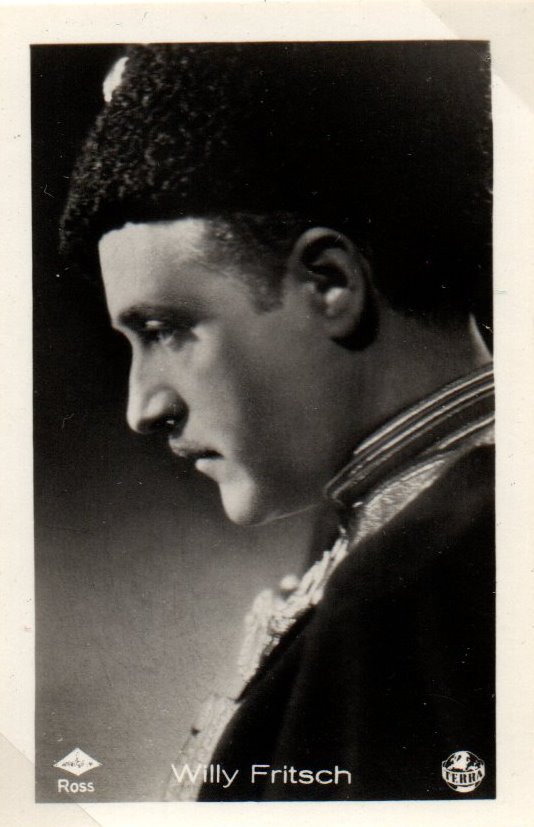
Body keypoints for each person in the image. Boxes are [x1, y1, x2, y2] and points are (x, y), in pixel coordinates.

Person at [60, 42, 495, 801]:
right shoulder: (397, 547)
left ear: (330, 283)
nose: (142, 408)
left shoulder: (418, 588)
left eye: (165, 329)